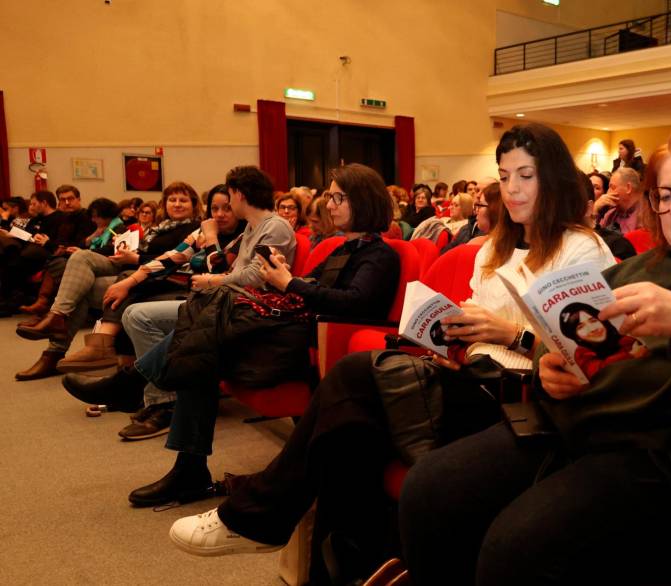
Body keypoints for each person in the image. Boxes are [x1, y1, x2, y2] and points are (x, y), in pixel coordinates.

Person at [167, 123, 616, 585]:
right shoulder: (494, 249)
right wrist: (450, 333)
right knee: (350, 435)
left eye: (527, 175)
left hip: (524, 395)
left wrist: (510, 334)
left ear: (555, 178)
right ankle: (335, 566)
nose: (513, 189)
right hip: (470, 376)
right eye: (505, 177)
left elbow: (587, 355)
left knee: (355, 377)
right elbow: (476, 321)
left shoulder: (582, 247)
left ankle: (258, 515)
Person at [398, 123, 671, 586]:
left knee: (517, 547)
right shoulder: (638, 267)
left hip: (661, 449)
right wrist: (549, 365)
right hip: (567, 424)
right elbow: (559, 338)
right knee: (430, 488)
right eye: (664, 195)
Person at [125, 163, 400, 509]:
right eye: (330, 197)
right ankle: (185, 464)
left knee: (209, 324)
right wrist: (281, 274)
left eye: (338, 198)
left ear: (363, 200)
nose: (329, 205)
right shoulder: (341, 248)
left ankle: (140, 386)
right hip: (289, 332)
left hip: (308, 345)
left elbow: (355, 303)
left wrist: (289, 282)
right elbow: (306, 286)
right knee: (202, 347)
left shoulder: (381, 255)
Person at [58, 167, 296, 435]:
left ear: (239, 194)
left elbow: (254, 276)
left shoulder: (273, 226)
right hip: (225, 302)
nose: (225, 208)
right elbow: (183, 257)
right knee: (135, 311)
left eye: (228, 198)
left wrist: (213, 279)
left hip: (244, 310)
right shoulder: (252, 229)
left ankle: (137, 388)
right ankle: (145, 391)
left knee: (146, 315)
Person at [13, 185, 201, 381]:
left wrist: (135, 259)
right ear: (165, 204)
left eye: (183, 200)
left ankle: (55, 350)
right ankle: (57, 316)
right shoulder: (161, 226)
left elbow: (173, 260)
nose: (177, 204)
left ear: (194, 205)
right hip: (135, 266)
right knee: (82, 257)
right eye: (172, 200)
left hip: (155, 274)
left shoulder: (193, 229)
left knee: (84, 287)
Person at [559, 301, 646, 378]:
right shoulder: (582, 353)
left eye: (593, 321)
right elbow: (599, 372)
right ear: (576, 336)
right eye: (581, 327)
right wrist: (630, 355)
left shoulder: (623, 340)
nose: (593, 329)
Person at [594, 166, 644, 233]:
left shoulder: (646, 217)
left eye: (612, 187)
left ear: (628, 188)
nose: (608, 192)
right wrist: (595, 209)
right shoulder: (611, 212)